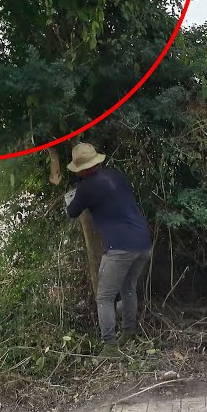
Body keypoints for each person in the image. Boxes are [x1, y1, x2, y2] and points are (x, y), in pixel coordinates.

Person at [64, 142, 152, 354]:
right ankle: (129, 332)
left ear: (81, 169)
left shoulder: (85, 188)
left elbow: (72, 212)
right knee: (128, 288)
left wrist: (70, 198)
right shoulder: (116, 176)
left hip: (120, 248)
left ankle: (110, 346)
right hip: (144, 242)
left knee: (104, 297)